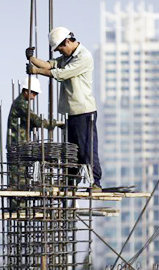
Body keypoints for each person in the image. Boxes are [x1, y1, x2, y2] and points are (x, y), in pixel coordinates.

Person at [25, 26, 102, 191]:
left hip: (84, 111)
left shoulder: (83, 57)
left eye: (61, 48)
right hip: (72, 112)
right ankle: (70, 183)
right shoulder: (68, 57)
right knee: (72, 151)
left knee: (86, 148)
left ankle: (95, 182)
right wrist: (32, 59)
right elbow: (49, 64)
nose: (60, 52)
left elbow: (61, 74)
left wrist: (36, 71)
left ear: (67, 41)